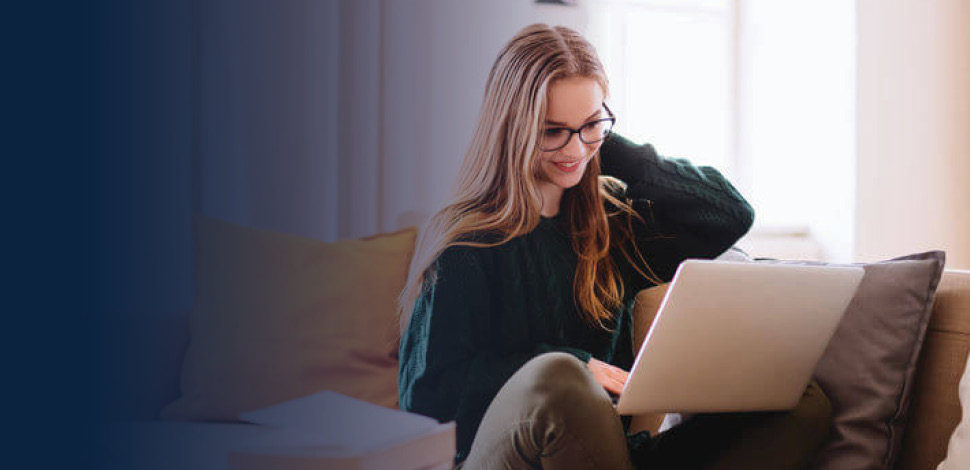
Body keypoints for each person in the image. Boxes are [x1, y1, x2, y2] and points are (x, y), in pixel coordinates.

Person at [397, 24, 831, 470]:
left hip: (612, 457)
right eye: (552, 132)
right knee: (559, 378)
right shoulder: (467, 240)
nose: (574, 149)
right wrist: (575, 365)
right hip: (510, 459)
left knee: (799, 402)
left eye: (590, 125)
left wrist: (604, 145)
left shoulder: (612, 224)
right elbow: (427, 394)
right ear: (513, 129)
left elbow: (728, 213)